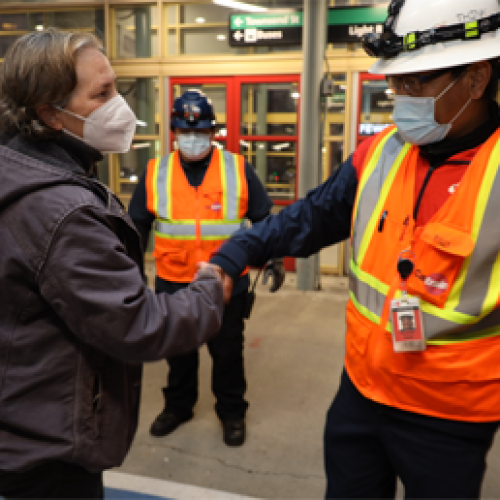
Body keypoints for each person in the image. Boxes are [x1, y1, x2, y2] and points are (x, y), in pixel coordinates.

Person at [211, 0, 500, 497]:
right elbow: (312, 217)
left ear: (476, 79)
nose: (399, 96)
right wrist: (237, 252)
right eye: (396, 83)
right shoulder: (382, 152)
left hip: (451, 416)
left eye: (415, 83)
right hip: (361, 395)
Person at [0, 29, 225, 500]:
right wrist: (211, 291)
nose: (119, 105)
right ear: (48, 113)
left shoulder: (17, 171)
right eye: (101, 94)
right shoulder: (63, 212)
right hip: (46, 448)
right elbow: (137, 324)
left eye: (116, 87)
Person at [128, 89, 284, 447]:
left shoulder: (237, 168)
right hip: (174, 282)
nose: (193, 138)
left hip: (227, 282)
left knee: (227, 352)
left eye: (200, 132)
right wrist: (129, 269)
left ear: (214, 133)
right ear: (174, 132)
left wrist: (274, 257)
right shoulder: (155, 171)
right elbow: (137, 226)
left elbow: (263, 218)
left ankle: (231, 412)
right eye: (185, 131)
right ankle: (179, 407)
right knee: (178, 351)